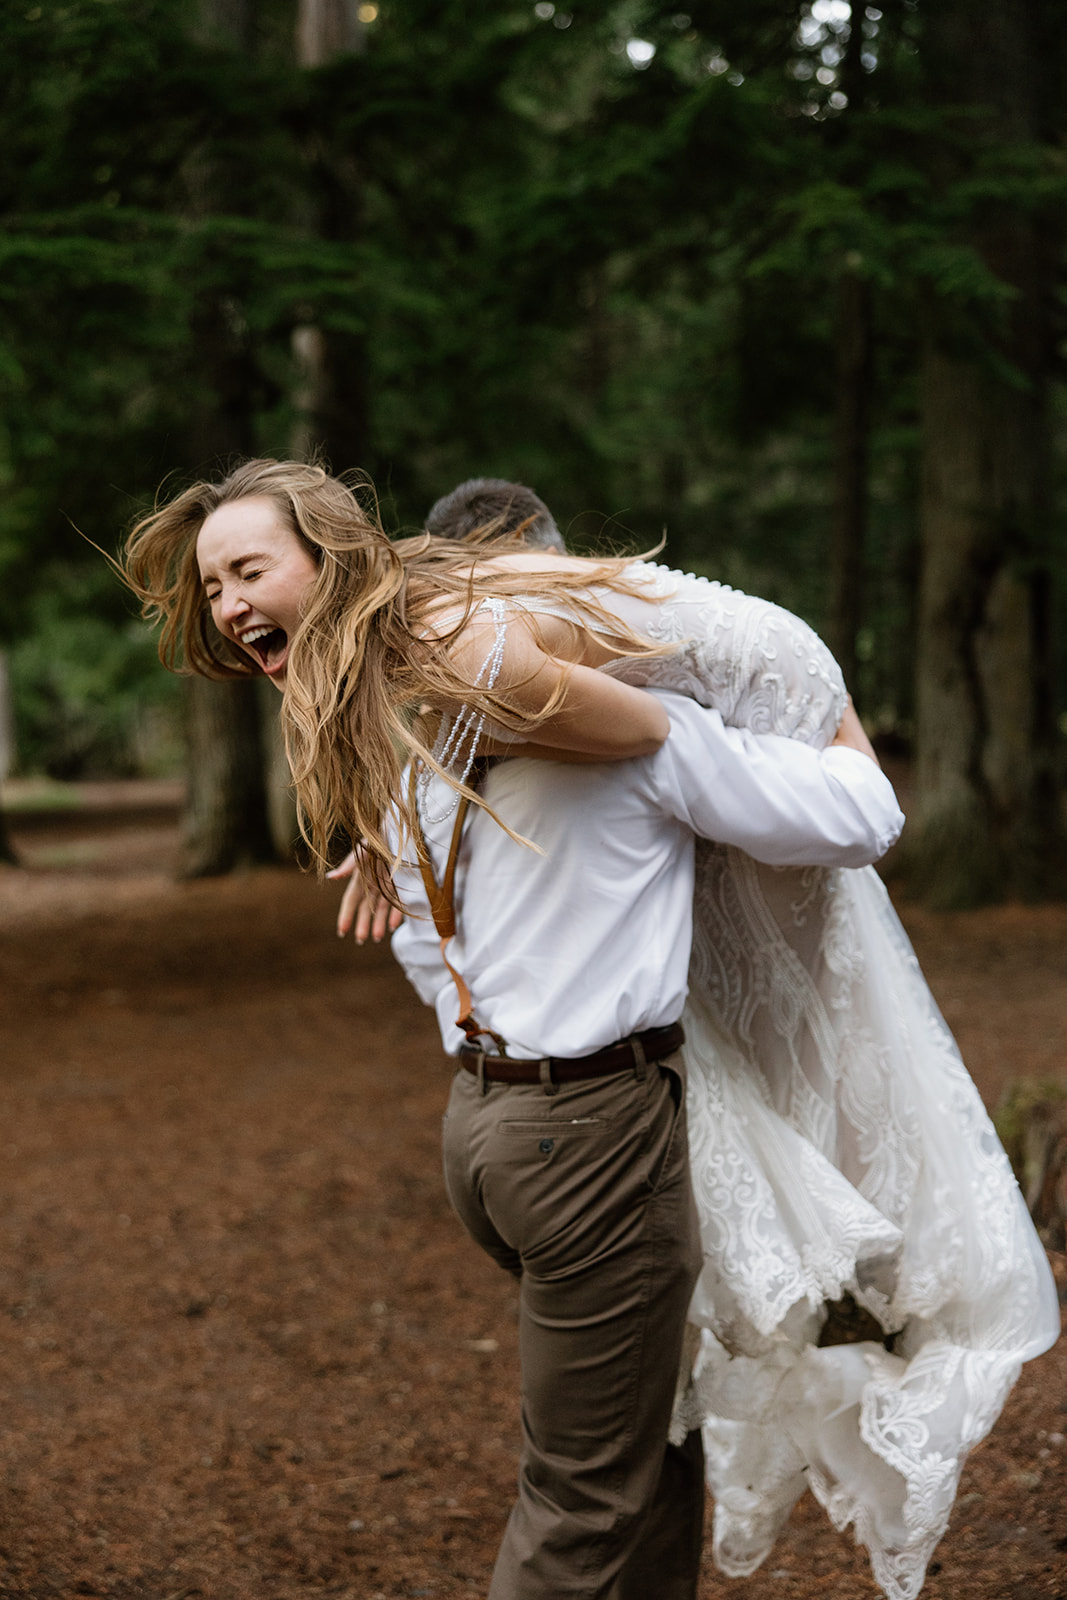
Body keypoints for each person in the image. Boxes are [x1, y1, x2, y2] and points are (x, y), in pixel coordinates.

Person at [119, 459, 1057, 1600]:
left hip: (490, 1130)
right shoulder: (630, 740)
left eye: (243, 571)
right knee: (580, 1501)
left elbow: (427, 949)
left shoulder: (405, 746)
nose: (224, 604)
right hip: (589, 1140)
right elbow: (861, 814)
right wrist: (827, 712)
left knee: (651, 1435)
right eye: (218, 581)